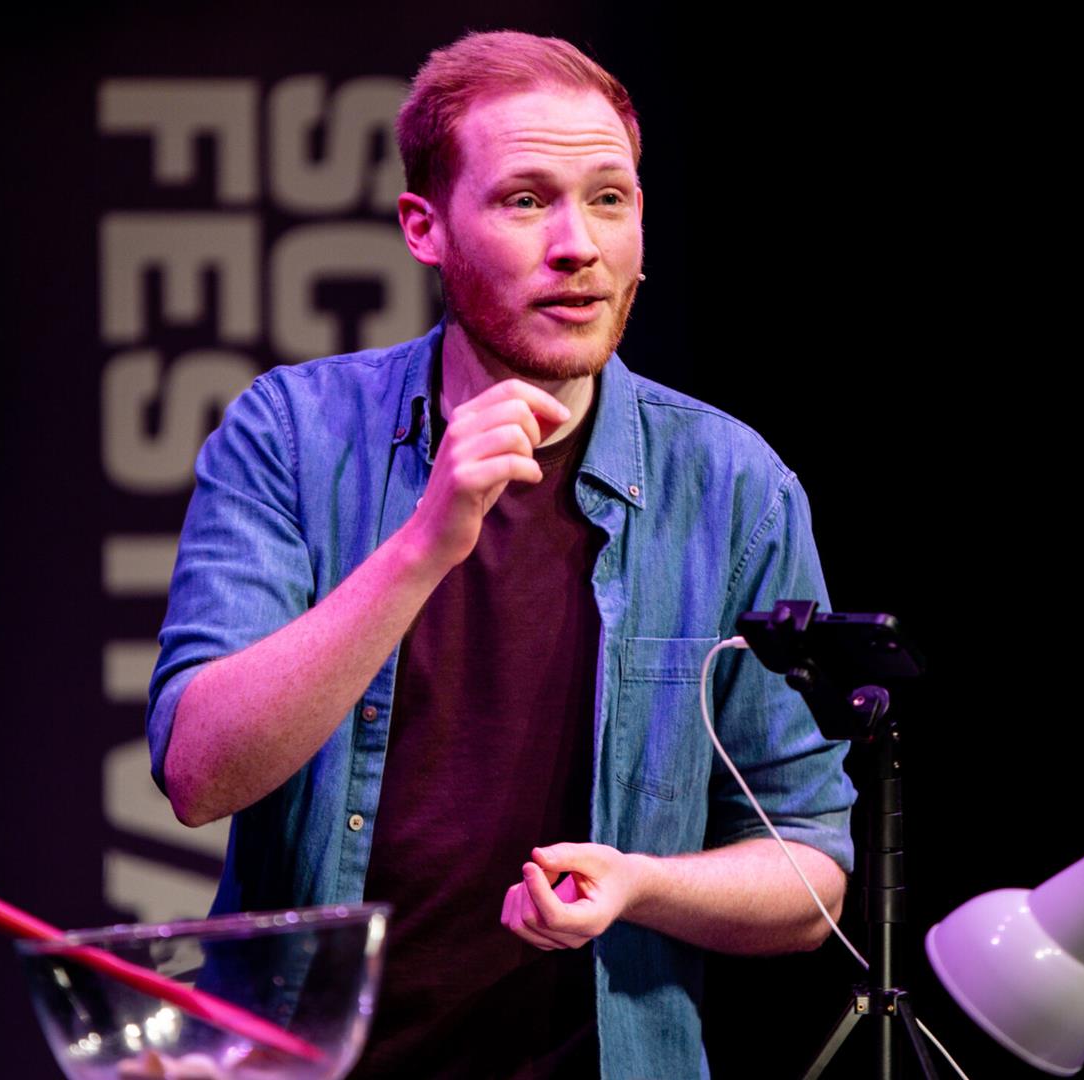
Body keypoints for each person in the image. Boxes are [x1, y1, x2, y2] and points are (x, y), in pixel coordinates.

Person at [146, 30, 855, 1079]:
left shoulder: (735, 487)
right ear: (424, 228)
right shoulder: (292, 435)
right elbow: (199, 774)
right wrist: (423, 545)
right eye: (526, 200)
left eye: (609, 199)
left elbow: (812, 873)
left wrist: (642, 886)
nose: (579, 245)